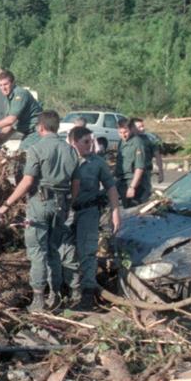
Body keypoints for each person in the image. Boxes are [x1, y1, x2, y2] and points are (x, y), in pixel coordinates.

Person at [0, 110, 79, 312]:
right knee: (53, 250)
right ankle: (55, 295)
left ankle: (39, 299)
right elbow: (76, 183)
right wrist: (70, 204)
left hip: (39, 205)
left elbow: (28, 181)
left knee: (37, 252)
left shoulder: (36, 148)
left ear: (40, 127)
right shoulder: (71, 151)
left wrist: (6, 204)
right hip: (61, 206)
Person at [59, 126, 121, 310]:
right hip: (68, 213)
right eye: (86, 141)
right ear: (73, 142)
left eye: (91, 141)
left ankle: (87, 296)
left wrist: (116, 211)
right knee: (65, 253)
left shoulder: (97, 162)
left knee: (87, 253)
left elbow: (110, 187)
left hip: (88, 212)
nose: (90, 145)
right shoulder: (64, 160)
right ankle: (73, 292)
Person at [0, 71, 43, 150]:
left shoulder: (20, 94)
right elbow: (9, 126)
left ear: (13, 83)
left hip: (38, 131)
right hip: (29, 133)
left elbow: (10, 120)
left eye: (6, 84)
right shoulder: (8, 100)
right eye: (0, 85)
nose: (3, 88)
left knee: (22, 155)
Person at [114, 117, 150, 207]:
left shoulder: (137, 142)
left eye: (125, 132)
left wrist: (132, 187)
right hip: (123, 182)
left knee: (135, 212)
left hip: (135, 183)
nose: (123, 135)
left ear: (131, 129)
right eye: (120, 133)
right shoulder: (121, 142)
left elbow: (139, 167)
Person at [133, 117, 165, 184]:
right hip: (131, 174)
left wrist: (161, 172)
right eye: (139, 127)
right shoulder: (128, 139)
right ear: (133, 128)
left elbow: (157, 156)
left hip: (145, 173)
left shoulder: (150, 139)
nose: (142, 129)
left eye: (143, 126)